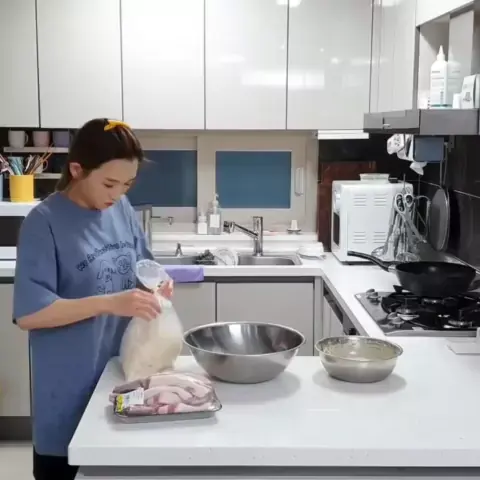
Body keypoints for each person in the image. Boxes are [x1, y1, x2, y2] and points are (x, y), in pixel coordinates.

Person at [13, 118, 172, 480]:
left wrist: (158, 284)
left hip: (121, 379)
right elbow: (30, 313)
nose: (117, 194)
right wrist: (109, 303)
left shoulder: (121, 208)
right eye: (109, 183)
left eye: (127, 184)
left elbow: (142, 267)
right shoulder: (43, 223)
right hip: (68, 388)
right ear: (76, 170)